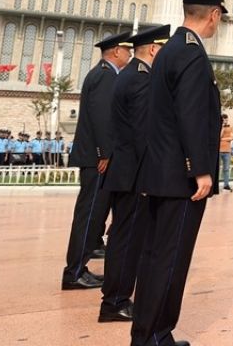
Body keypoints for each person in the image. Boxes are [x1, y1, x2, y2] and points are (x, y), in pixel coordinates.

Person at [130, 0, 227, 346]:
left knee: (156, 256)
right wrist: (199, 168)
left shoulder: (170, 50)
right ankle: (154, 336)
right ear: (214, 14)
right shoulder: (191, 55)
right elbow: (190, 116)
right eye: (219, 16)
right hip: (180, 178)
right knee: (170, 259)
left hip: (161, 172)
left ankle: (150, 333)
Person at [98, 23, 169, 324]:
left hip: (128, 172)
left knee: (124, 237)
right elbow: (143, 133)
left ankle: (115, 297)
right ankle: (114, 301)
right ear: (154, 49)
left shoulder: (133, 76)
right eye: (163, 49)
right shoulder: (141, 79)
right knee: (126, 240)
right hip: (134, 175)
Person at [61, 30, 133, 290]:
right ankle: (74, 272)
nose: (130, 54)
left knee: (93, 215)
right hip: (97, 159)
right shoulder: (105, 76)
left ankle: (81, 267)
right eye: (127, 50)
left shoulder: (105, 74)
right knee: (89, 215)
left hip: (97, 157)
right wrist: (105, 153)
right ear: (116, 51)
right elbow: (103, 118)